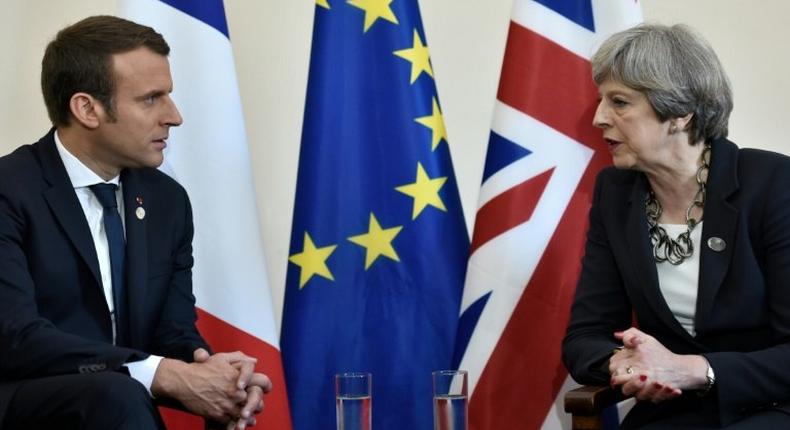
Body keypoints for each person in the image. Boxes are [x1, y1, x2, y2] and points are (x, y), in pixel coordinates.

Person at [0, 15, 271, 429]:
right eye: (151, 99)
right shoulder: (9, 189)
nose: (174, 116)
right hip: (24, 404)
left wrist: (216, 377)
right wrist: (159, 373)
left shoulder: (167, 201)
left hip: (116, 407)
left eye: (169, 96)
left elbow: (172, 334)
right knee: (116, 391)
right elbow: (16, 339)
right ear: (87, 108)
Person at [562, 23, 790, 429]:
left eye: (619, 102)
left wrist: (694, 369)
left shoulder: (773, 184)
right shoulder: (616, 194)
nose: (599, 118)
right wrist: (630, 364)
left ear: (679, 112)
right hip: (670, 413)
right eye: (602, 101)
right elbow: (585, 336)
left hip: (769, 407)